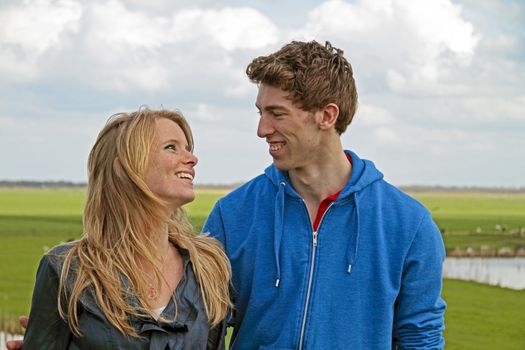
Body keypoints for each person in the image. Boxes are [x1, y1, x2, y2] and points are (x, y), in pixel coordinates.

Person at [203, 40, 446, 349]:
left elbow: (420, 339)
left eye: (277, 113)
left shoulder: (409, 225)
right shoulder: (232, 214)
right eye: (261, 112)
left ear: (327, 116)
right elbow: (205, 331)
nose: (262, 129)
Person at [8, 109, 231, 349]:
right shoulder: (67, 270)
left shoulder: (207, 268)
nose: (191, 158)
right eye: (171, 147)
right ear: (125, 168)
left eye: (188, 148)